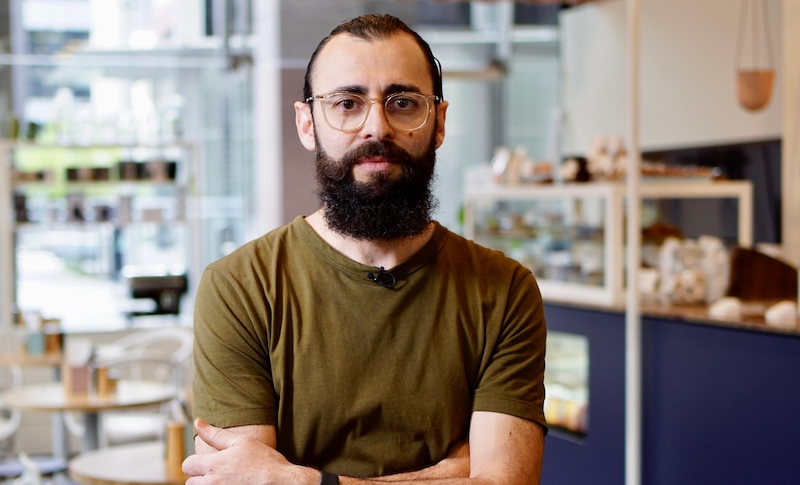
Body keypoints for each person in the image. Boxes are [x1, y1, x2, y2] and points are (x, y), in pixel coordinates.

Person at [183, 13, 547, 485]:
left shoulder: (504, 289)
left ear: (438, 122)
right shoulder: (240, 286)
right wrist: (441, 477)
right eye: (347, 103)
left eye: (402, 102)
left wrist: (305, 481)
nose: (376, 126)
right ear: (307, 123)